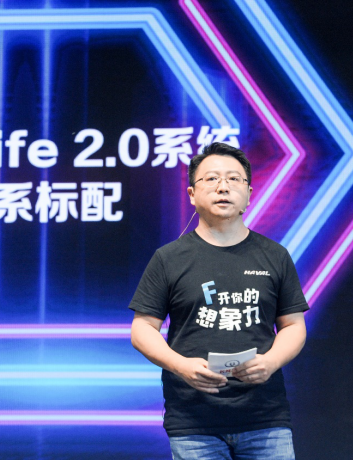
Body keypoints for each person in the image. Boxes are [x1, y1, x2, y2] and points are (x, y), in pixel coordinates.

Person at [129, 142, 308, 460]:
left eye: (233, 179)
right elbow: (142, 329)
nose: (223, 187)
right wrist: (180, 365)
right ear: (191, 194)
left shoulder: (275, 255)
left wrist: (271, 362)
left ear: (249, 194)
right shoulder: (169, 259)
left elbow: (293, 325)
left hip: (265, 418)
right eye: (211, 179)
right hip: (193, 421)